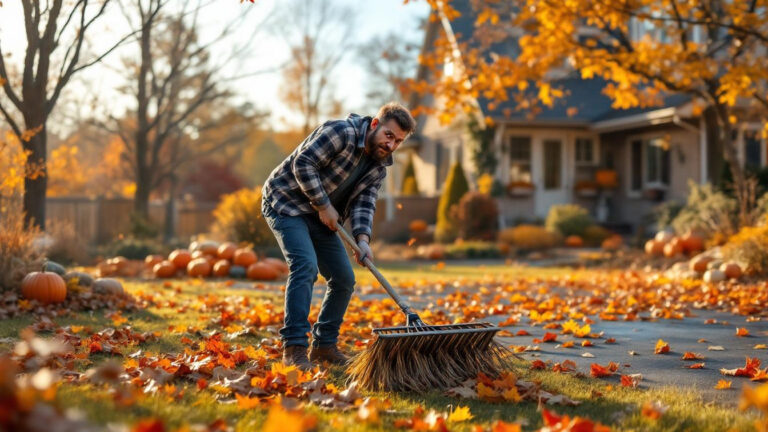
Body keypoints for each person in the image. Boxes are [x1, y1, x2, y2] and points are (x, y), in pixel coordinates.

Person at [261, 102, 416, 369]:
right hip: (286, 202)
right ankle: (294, 348)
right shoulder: (341, 132)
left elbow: (364, 204)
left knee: (344, 279)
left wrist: (363, 241)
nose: (391, 145)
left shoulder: (378, 167)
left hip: (322, 216)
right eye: (389, 136)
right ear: (375, 125)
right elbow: (303, 163)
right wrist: (323, 205)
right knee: (305, 267)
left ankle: (323, 346)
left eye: (398, 141)